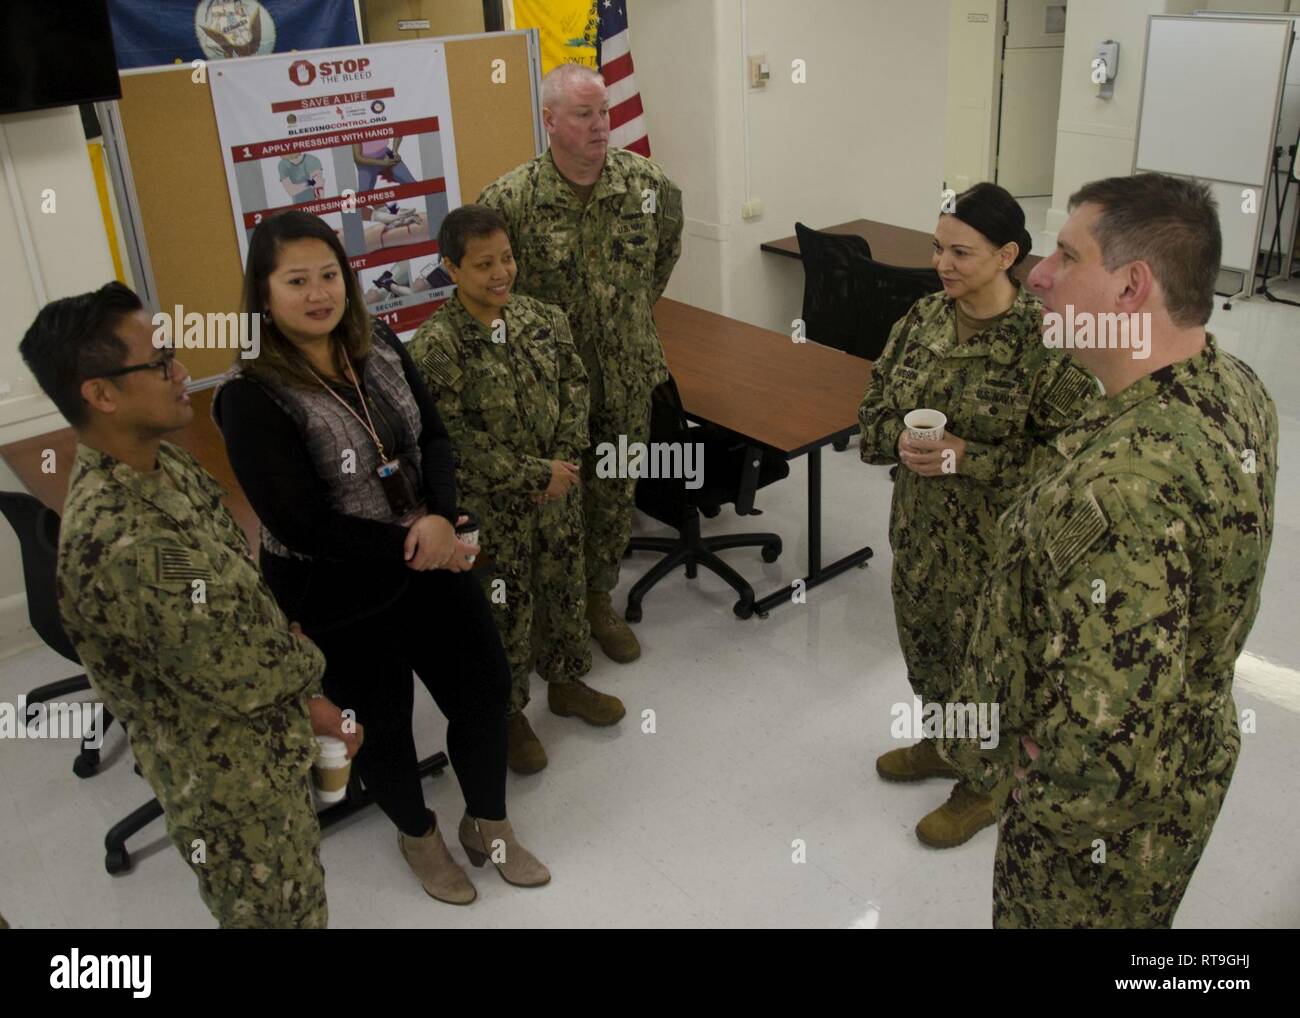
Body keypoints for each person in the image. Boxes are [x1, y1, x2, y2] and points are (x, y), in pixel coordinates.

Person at [943, 174, 1277, 928]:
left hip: (1089, 846)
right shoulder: (1233, 384)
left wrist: (1037, 792)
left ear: (1132, 288)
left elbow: (1104, 743)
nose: (1038, 275)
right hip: (1183, 775)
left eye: (1066, 255)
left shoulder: (1123, 488)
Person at [213, 210, 548, 906]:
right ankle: (417, 836)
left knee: (484, 689)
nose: (318, 293)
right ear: (264, 294)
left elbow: (434, 439)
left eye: (329, 275)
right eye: (296, 280)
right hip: (337, 589)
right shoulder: (249, 395)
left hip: (431, 558)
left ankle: (489, 820)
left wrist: (443, 516)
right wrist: (416, 540)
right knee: (384, 722)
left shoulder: (380, 343)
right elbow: (296, 521)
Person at [20, 282, 360, 929]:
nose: (181, 371)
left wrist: (304, 695)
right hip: (231, 791)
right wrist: (313, 679)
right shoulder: (121, 540)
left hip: (266, 747)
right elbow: (235, 671)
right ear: (101, 393)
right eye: (159, 362)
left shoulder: (162, 464)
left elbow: (237, 595)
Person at [858, 182, 1097, 849]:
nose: (943, 264)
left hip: (999, 553)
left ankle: (985, 782)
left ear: (1008, 255)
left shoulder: (1047, 344)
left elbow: (1073, 469)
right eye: (938, 248)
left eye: (961, 252)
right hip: (919, 535)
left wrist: (973, 458)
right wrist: (895, 441)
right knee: (929, 652)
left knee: (990, 668)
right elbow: (872, 410)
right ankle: (946, 743)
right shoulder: (922, 321)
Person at [478, 63, 684, 664]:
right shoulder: (510, 199)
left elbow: (663, 260)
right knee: (550, 500)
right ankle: (550, 612)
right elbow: (489, 293)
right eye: (583, 114)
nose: (601, 126)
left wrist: (624, 319)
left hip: (624, 375)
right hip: (545, 391)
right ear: (549, 120)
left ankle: (598, 599)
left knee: (613, 494)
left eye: (605, 112)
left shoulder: (648, 187)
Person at [409, 205, 625, 774]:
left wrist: (563, 465)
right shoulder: (436, 346)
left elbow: (576, 386)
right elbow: (450, 441)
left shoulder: (543, 319)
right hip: (493, 511)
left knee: (563, 589)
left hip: (559, 494)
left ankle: (567, 681)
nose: (502, 272)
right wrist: (536, 476)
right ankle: (507, 714)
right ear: (451, 269)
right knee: (502, 610)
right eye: (484, 264)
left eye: (506, 258)